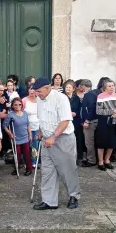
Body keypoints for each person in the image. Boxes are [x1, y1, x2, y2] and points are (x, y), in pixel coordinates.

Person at [32, 78, 80, 210]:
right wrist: (41, 131)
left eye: (39, 91)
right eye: (35, 91)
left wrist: (53, 136)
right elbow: (42, 117)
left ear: (48, 88)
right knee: (47, 171)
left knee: (67, 170)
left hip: (62, 139)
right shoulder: (39, 99)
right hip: (47, 139)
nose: (37, 94)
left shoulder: (61, 98)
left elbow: (65, 120)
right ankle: (49, 201)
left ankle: (74, 196)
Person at [81, 77, 110, 167]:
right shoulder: (106, 95)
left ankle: (91, 160)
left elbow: (91, 109)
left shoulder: (90, 94)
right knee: (99, 141)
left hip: (92, 121)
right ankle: (101, 160)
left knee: (89, 141)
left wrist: (87, 120)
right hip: (103, 121)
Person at [95, 79, 116, 171]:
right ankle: (101, 162)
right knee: (101, 142)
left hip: (114, 121)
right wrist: (112, 111)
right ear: (105, 87)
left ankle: (107, 160)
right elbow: (98, 111)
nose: (112, 87)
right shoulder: (100, 96)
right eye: (109, 86)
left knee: (112, 142)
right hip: (103, 121)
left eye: (113, 86)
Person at [3, 97, 33, 176]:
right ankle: (17, 168)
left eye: (20, 104)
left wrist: (30, 135)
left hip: (25, 137)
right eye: (15, 105)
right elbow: (5, 126)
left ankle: (29, 169)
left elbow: (28, 125)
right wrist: (10, 133)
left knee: (27, 154)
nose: (18, 106)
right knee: (17, 154)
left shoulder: (25, 113)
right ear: (12, 106)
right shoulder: (10, 115)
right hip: (16, 138)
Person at [63, 80, 83, 163]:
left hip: (76, 120)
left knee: (78, 139)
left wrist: (75, 113)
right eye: (66, 87)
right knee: (66, 139)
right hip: (65, 121)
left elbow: (80, 109)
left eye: (69, 87)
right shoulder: (62, 97)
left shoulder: (76, 98)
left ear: (73, 89)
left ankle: (78, 157)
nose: (68, 88)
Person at [22, 82, 40, 167]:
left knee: (35, 145)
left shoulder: (40, 100)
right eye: (30, 89)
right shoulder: (24, 100)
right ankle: (26, 162)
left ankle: (34, 162)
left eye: (34, 89)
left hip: (36, 126)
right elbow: (20, 112)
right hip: (26, 127)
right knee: (26, 145)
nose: (32, 91)